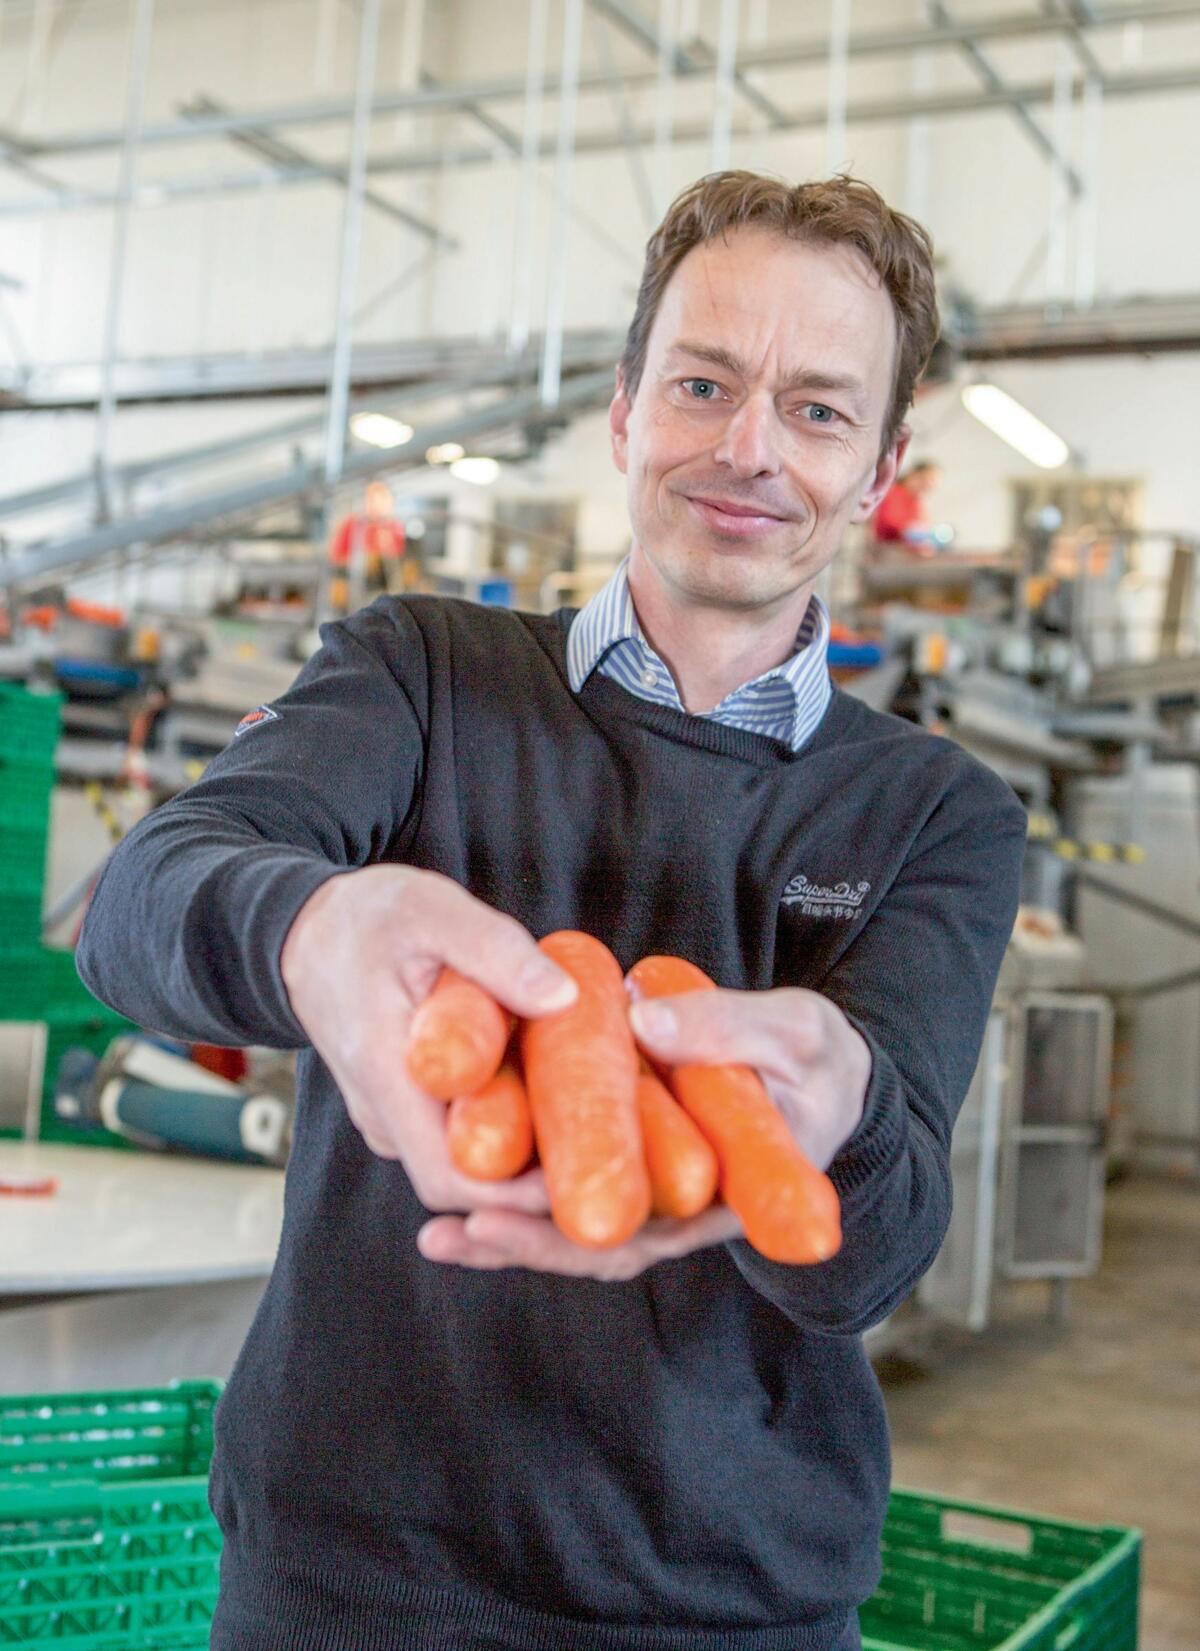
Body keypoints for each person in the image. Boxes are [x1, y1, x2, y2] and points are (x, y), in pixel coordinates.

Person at [77, 172, 1026, 1651]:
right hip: (346, 1576)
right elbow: (140, 896)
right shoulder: (418, 671)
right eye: (704, 384)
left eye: (819, 409)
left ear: (879, 465)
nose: (750, 447)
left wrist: (840, 1108)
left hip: (732, 1602)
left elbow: (875, 1259)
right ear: (625, 412)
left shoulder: (935, 811)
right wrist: (311, 932)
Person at [327, 477, 412, 610]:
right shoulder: (351, 524)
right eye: (372, 499)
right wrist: (364, 561)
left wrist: (386, 547)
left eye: (381, 500)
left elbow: (399, 567)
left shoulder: (394, 527)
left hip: (382, 593)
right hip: (353, 590)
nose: (376, 505)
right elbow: (335, 556)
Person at [870, 458, 943, 551]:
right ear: (912, 475)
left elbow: (923, 523)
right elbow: (889, 521)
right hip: (887, 549)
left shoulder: (915, 500)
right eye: (924, 481)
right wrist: (912, 531)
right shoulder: (893, 492)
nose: (926, 487)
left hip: (904, 550)